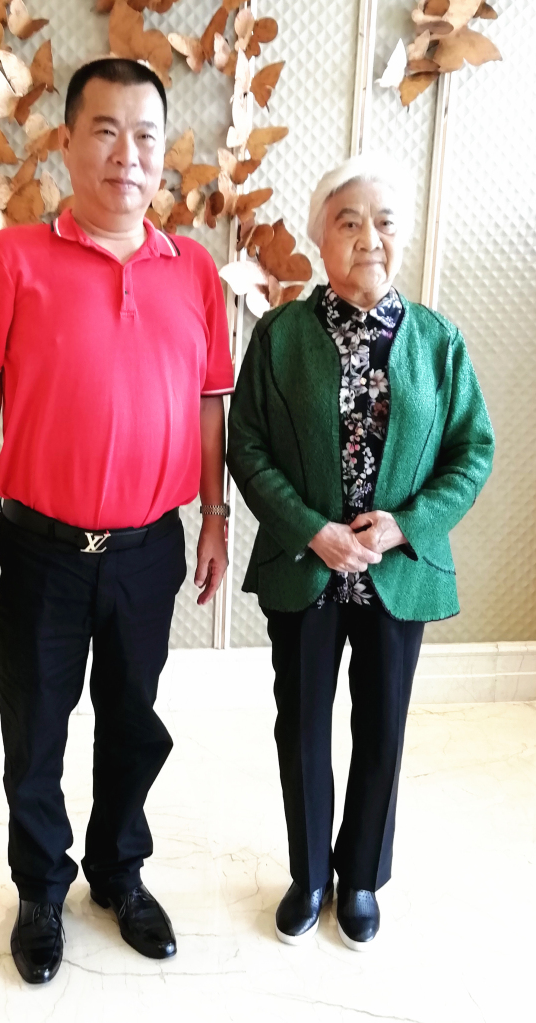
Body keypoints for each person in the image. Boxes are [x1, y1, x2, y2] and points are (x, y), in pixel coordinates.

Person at [0, 58, 234, 984]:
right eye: (105, 131)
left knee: (132, 719)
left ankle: (119, 871)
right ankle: (40, 888)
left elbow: (210, 406)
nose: (127, 154)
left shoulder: (194, 270)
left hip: (149, 550)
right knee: (36, 730)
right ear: (67, 143)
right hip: (38, 549)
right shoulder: (11, 259)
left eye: (146, 135)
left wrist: (214, 517)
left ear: (165, 153)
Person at [227, 153, 494, 951]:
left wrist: (406, 524)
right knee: (302, 726)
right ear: (319, 237)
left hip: (396, 572)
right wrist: (313, 527)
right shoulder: (279, 336)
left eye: (383, 222)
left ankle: (362, 878)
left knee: (382, 729)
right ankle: (310, 873)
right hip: (307, 564)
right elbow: (248, 446)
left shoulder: (439, 342)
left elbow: (472, 451)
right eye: (348, 222)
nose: (368, 238)